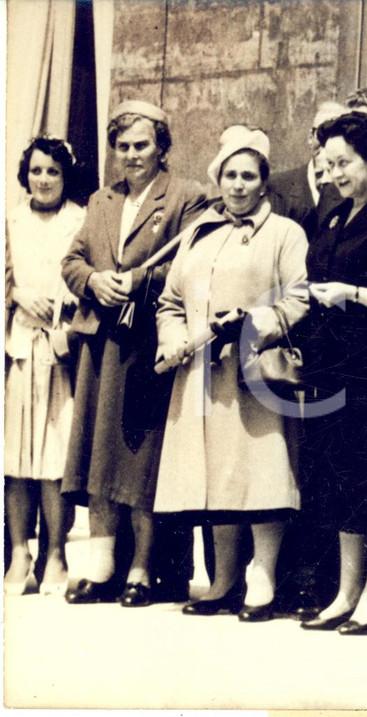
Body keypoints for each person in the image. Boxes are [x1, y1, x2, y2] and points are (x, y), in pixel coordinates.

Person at [154, 126, 308, 622]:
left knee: (261, 474)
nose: (238, 185)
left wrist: (253, 324)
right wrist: (171, 338)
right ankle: (222, 580)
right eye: (229, 175)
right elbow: (171, 301)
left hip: (256, 375)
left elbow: (300, 297)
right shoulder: (198, 235)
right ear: (217, 179)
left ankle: (261, 576)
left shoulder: (284, 233)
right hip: (201, 376)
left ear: (264, 182)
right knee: (219, 477)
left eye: (249, 176)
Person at [62, 100, 208, 607]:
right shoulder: (101, 201)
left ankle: (141, 571)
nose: (131, 155)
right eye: (122, 146)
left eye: (141, 145)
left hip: (150, 345)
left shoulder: (187, 196)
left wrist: (140, 280)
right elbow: (72, 259)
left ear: (162, 147)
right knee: (98, 456)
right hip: (102, 346)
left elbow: (192, 262)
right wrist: (94, 280)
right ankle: (101, 569)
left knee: (142, 459)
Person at [295, 112, 367, 634]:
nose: (336, 173)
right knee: (340, 475)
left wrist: (354, 294)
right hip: (334, 364)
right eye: (329, 164)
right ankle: (346, 591)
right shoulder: (335, 214)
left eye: (345, 162)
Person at [4, 137, 87, 596]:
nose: (43, 180)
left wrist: (62, 308)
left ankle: (56, 552)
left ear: (65, 176)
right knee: (16, 458)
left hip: (62, 349)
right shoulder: (11, 220)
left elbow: (86, 276)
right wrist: (17, 296)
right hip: (20, 348)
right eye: (36, 171)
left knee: (55, 457)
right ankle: (20, 551)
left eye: (53, 171)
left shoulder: (82, 219)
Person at [270, 100, 348, 235]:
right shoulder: (279, 186)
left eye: (336, 135)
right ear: (310, 137)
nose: (327, 142)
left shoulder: (351, 190)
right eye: (321, 134)